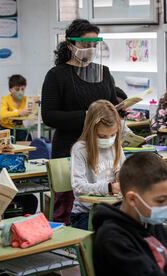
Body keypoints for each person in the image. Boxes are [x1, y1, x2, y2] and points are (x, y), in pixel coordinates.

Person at [41, 19, 119, 224]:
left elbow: (110, 105)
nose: (91, 49)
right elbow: (49, 116)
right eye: (86, 44)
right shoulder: (56, 75)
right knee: (68, 208)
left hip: (101, 149)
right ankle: (69, 250)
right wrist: (87, 116)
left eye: (95, 44)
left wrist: (119, 111)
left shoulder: (104, 72)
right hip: (68, 149)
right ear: (70, 45)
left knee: (103, 205)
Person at [71, 100, 125, 230]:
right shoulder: (80, 150)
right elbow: (78, 187)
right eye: (102, 136)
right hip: (86, 214)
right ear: (91, 130)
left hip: (113, 208)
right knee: (115, 231)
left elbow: (125, 173)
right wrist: (109, 188)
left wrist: (122, 175)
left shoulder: (116, 146)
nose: (108, 140)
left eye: (113, 135)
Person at [0, 74, 32, 141]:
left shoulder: (26, 99)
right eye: (17, 89)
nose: (20, 92)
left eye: (22, 89)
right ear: (10, 89)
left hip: (20, 128)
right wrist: (19, 112)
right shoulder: (5, 99)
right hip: (5, 129)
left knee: (29, 140)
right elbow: (3, 114)